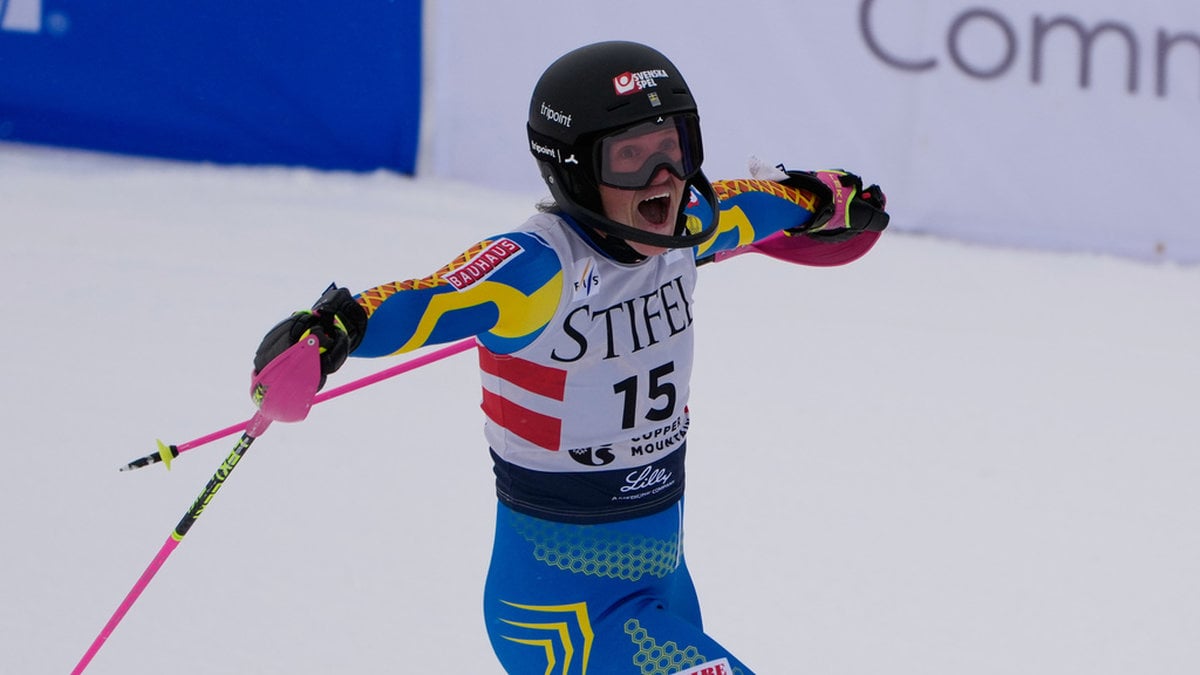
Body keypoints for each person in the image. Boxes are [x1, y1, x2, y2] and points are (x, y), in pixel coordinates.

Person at [254, 40, 888, 675]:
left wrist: (823, 201)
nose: (662, 177)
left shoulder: (686, 229)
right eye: (630, 157)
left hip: (661, 586)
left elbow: (758, 205)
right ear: (576, 170)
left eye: (671, 147)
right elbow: (434, 297)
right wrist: (333, 330)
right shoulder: (540, 270)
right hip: (564, 616)